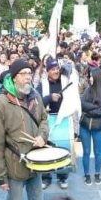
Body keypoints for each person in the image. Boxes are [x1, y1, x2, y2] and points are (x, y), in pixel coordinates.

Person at [0, 59, 47, 200]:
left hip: (36, 162)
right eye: (23, 73)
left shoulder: (35, 96)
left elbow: (44, 119)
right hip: (15, 165)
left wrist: (42, 135)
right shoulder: (1, 103)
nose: (28, 76)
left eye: (29, 73)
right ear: (14, 77)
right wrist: (0, 176)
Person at [38, 59, 73, 189]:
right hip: (48, 119)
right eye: (52, 69)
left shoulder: (65, 81)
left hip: (63, 119)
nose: (56, 71)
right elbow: (36, 101)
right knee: (46, 149)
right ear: (47, 72)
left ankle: (62, 177)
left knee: (63, 148)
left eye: (57, 68)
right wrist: (49, 98)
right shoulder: (42, 84)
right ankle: (46, 177)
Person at [79, 68, 101, 186]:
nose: (89, 78)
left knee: (97, 152)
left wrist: (89, 110)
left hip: (98, 127)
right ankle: (87, 174)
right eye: (89, 76)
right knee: (86, 151)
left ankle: (97, 173)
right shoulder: (88, 90)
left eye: (91, 76)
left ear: (97, 77)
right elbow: (82, 104)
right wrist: (95, 107)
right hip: (85, 126)